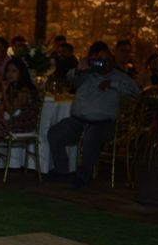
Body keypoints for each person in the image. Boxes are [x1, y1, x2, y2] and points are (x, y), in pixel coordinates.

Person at [47, 41, 139, 189]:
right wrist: (78, 69)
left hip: (103, 123)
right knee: (55, 133)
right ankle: (62, 169)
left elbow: (136, 92)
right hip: (78, 121)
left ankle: (82, 177)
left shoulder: (120, 77)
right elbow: (70, 77)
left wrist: (112, 84)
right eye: (98, 60)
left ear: (111, 59)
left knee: (92, 137)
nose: (101, 63)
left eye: (105, 60)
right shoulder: (87, 74)